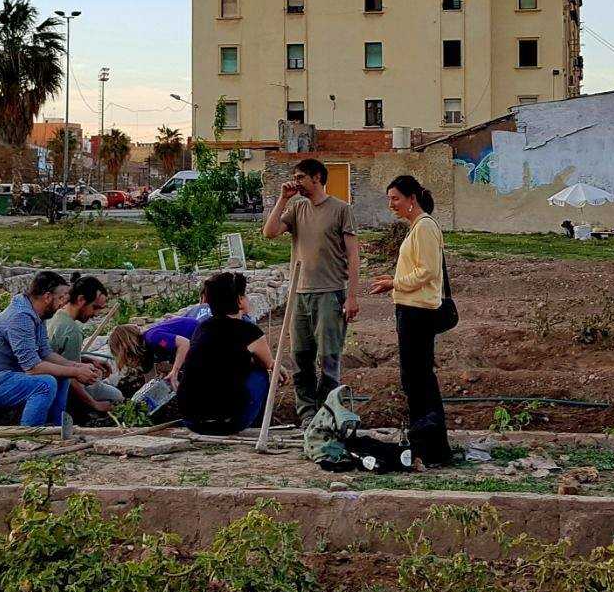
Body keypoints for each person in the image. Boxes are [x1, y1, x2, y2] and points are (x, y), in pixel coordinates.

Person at [261, 158, 359, 425]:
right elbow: (269, 232)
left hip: (330, 292)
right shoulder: (296, 209)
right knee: (301, 358)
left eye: (301, 177)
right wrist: (282, 199)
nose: (297, 182)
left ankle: (328, 414)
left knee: (329, 357)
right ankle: (306, 414)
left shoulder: (341, 209)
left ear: (317, 178)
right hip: (299, 294)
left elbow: (353, 254)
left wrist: (351, 296)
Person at [368, 175, 452, 467]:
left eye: (395, 198)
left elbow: (427, 271)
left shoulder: (425, 227)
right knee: (415, 379)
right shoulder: (418, 228)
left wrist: (394, 283)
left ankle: (430, 448)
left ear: (411, 199)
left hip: (418, 311)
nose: (391, 204)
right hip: (410, 308)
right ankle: (428, 447)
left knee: (419, 380)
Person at [0, 270, 102, 426]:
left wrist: (77, 366)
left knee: (62, 376)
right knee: (45, 384)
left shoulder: (37, 315)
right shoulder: (20, 317)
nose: (64, 302)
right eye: (61, 297)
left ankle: (56, 428)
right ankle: (31, 434)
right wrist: (76, 372)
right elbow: (32, 367)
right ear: (47, 297)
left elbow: (45, 352)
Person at [177, 272, 286, 435]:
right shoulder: (250, 332)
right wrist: (279, 368)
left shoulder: (201, 328)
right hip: (229, 423)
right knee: (261, 373)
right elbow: (270, 365)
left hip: (192, 421)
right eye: (244, 295)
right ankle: (259, 427)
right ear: (239, 301)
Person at [47, 275, 124, 414]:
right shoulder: (71, 330)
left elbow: (60, 356)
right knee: (117, 397)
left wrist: (88, 359)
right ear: (81, 299)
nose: (96, 314)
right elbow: (70, 377)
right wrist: (95, 404)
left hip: (51, 379)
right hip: (60, 388)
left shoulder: (57, 315)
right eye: (94, 308)